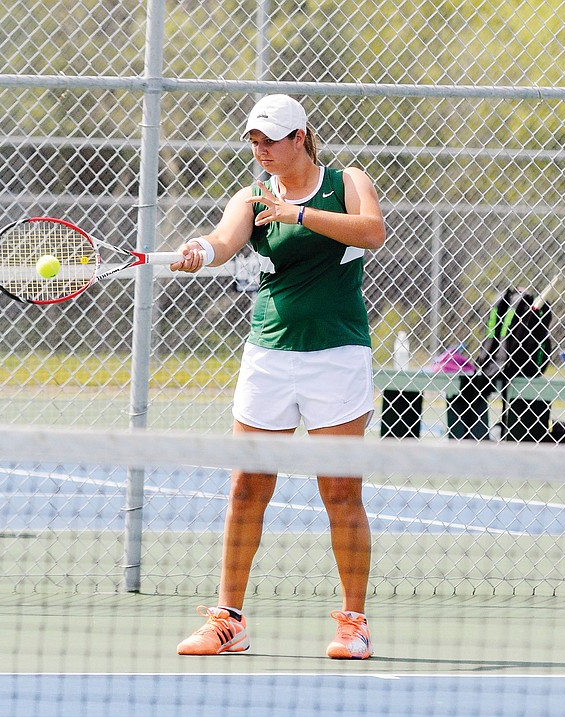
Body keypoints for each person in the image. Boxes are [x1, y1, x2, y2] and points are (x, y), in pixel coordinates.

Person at [171, 94, 386, 659]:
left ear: (301, 138)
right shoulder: (251, 196)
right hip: (269, 356)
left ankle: (354, 624)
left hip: (337, 355)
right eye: (254, 140)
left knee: (340, 490)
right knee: (247, 486)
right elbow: (224, 242)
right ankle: (229, 620)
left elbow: (371, 232)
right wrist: (200, 249)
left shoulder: (348, 180)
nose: (261, 149)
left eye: (272, 138)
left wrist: (300, 214)